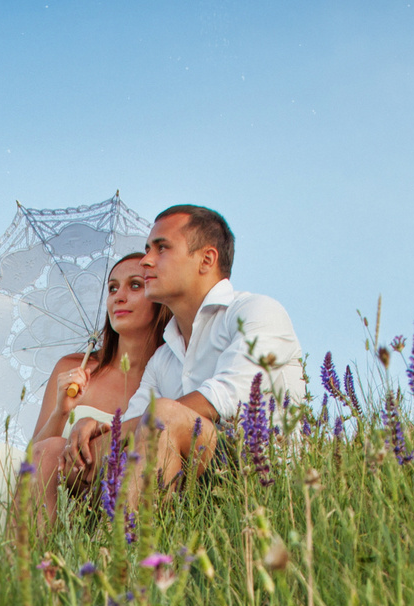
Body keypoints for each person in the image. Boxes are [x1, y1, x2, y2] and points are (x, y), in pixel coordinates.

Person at [70, 205, 305, 501]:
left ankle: (129, 545)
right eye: (147, 250)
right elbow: (132, 424)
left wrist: (114, 433)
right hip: (189, 481)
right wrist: (89, 436)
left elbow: (220, 399)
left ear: (206, 259)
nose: (145, 261)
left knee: (164, 415)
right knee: (51, 452)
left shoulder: (255, 311)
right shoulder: (163, 357)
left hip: (260, 475)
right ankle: (33, 548)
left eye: (161, 248)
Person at [14, 251, 169, 543]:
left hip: (115, 501)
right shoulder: (75, 367)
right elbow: (33, 457)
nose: (118, 297)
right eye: (112, 288)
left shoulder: (165, 378)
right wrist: (61, 411)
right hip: (52, 496)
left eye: (135, 286)